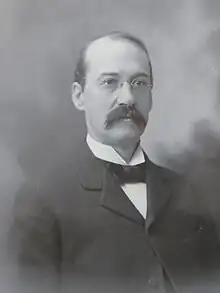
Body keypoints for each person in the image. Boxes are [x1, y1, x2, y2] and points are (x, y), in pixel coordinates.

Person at [8, 31, 220, 293]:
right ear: (79, 96)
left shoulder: (189, 192)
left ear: (151, 98)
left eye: (139, 83)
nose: (128, 99)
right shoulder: (41, 200)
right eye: (109, 82)